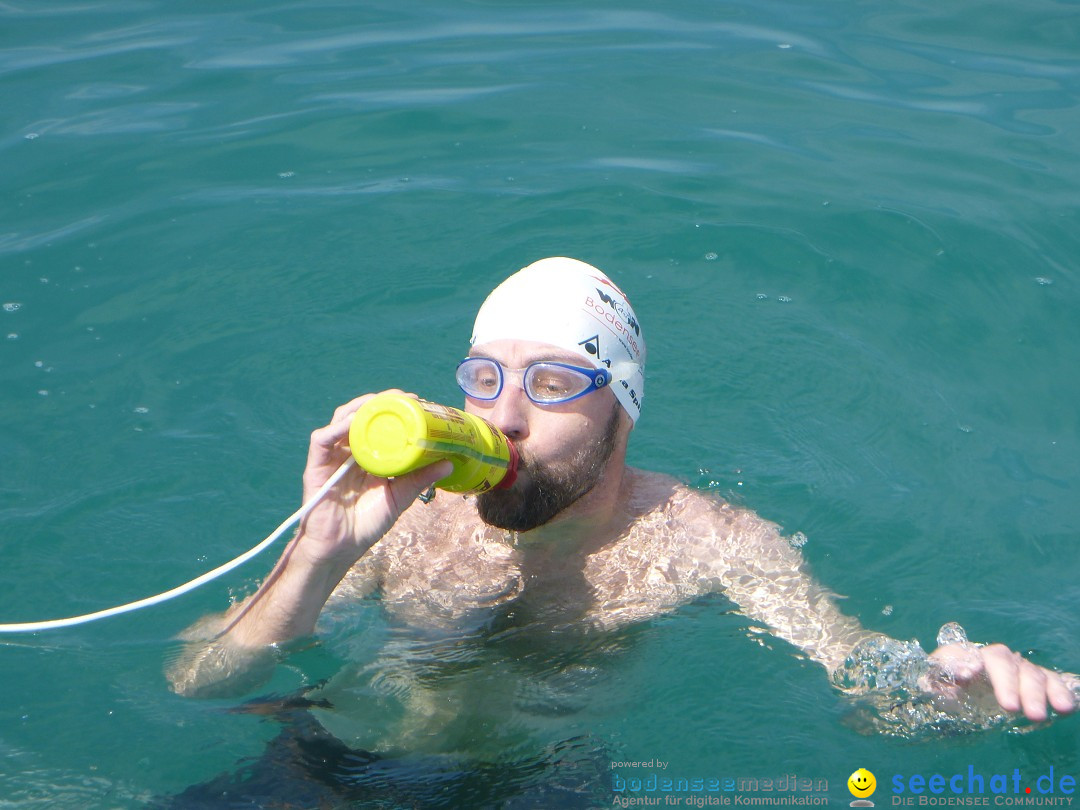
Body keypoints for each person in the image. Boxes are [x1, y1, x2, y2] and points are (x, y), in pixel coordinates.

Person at [169, 256, 1076, 733]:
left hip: (531, 780)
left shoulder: (703, 540)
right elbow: (194, 681)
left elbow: (856, 674)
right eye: (485, 377)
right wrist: (320, 555)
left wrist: (957, 687)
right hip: (328, 762)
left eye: (555, 383)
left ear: (624, 410)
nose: (506, 417)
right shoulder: (410, 516)